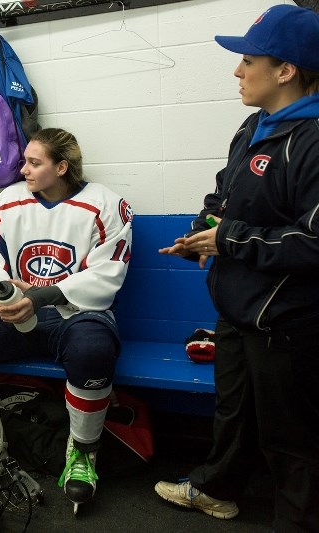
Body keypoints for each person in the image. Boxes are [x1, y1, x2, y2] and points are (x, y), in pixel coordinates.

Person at [155, 5, 319, 531]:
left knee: (292, 442)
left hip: (287, 320)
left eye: (248, 60)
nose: (237, 71)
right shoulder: (253, 126)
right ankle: (218, 490)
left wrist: (228, 239)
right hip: (235, 306)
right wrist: (204, 232)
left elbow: (314, 241)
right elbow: (226, 197)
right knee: (233, 415)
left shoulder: (313, 141)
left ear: (286, 69)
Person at [0, 127, 133, 511]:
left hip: (74, 315)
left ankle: (83, 452)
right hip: (13, 315)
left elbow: (106, 276)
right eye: (24, 160)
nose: (22, 169)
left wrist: (37, 296)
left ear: (62, 167)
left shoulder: (107, 205)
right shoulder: (7, 201)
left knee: (94, 349)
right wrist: (0, 293)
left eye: (33, 162)